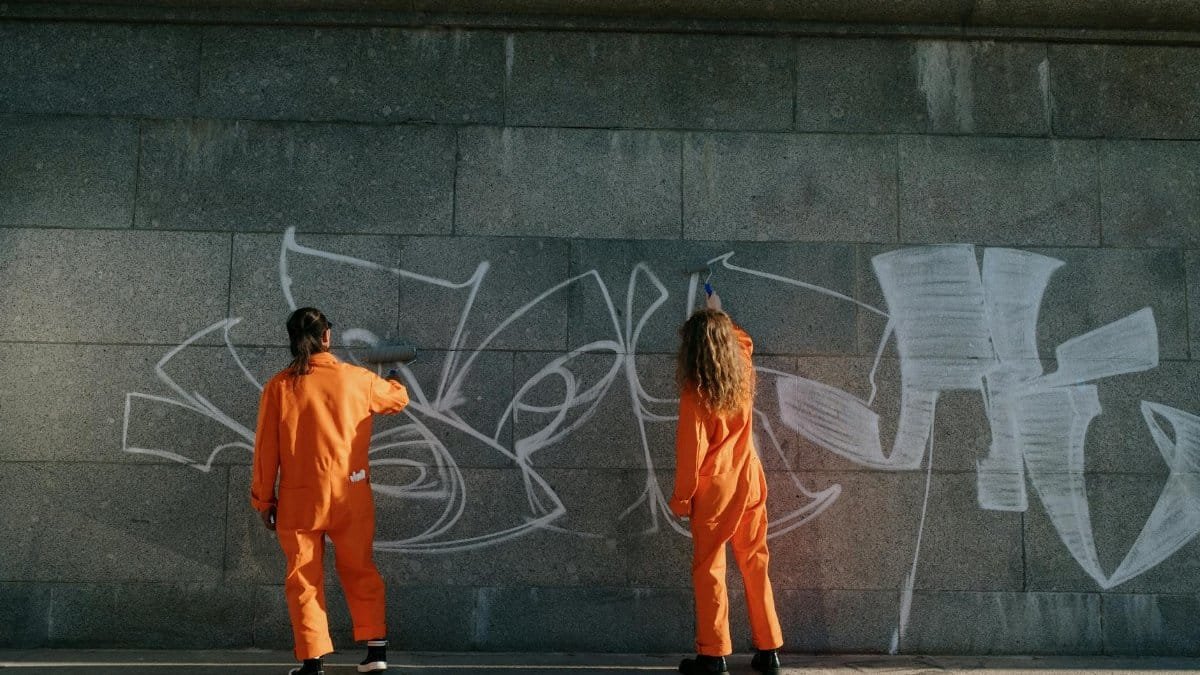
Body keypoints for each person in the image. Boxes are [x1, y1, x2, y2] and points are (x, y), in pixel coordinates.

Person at [251, 307, 410, 675]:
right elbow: (397, 401)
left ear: (293, 341)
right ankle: (375, 650)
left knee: (304, 576)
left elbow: (265, 450)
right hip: (350, 494)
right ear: (327, 337)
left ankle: (312, 661)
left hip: (299, 499)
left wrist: (264, 498)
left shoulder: (279, 386)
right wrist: (394, 376)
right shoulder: (357, 379)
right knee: (360, 568)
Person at [669, 291, 783, 675]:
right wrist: (720, 315)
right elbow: (745, 343)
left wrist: (682, 499)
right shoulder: (743, 374)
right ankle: (769, 651)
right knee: (755, 563)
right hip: (750, 480)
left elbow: (691, 453)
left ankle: (713, 655)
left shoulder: (695, 394)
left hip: (715, 490)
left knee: (710, 569)